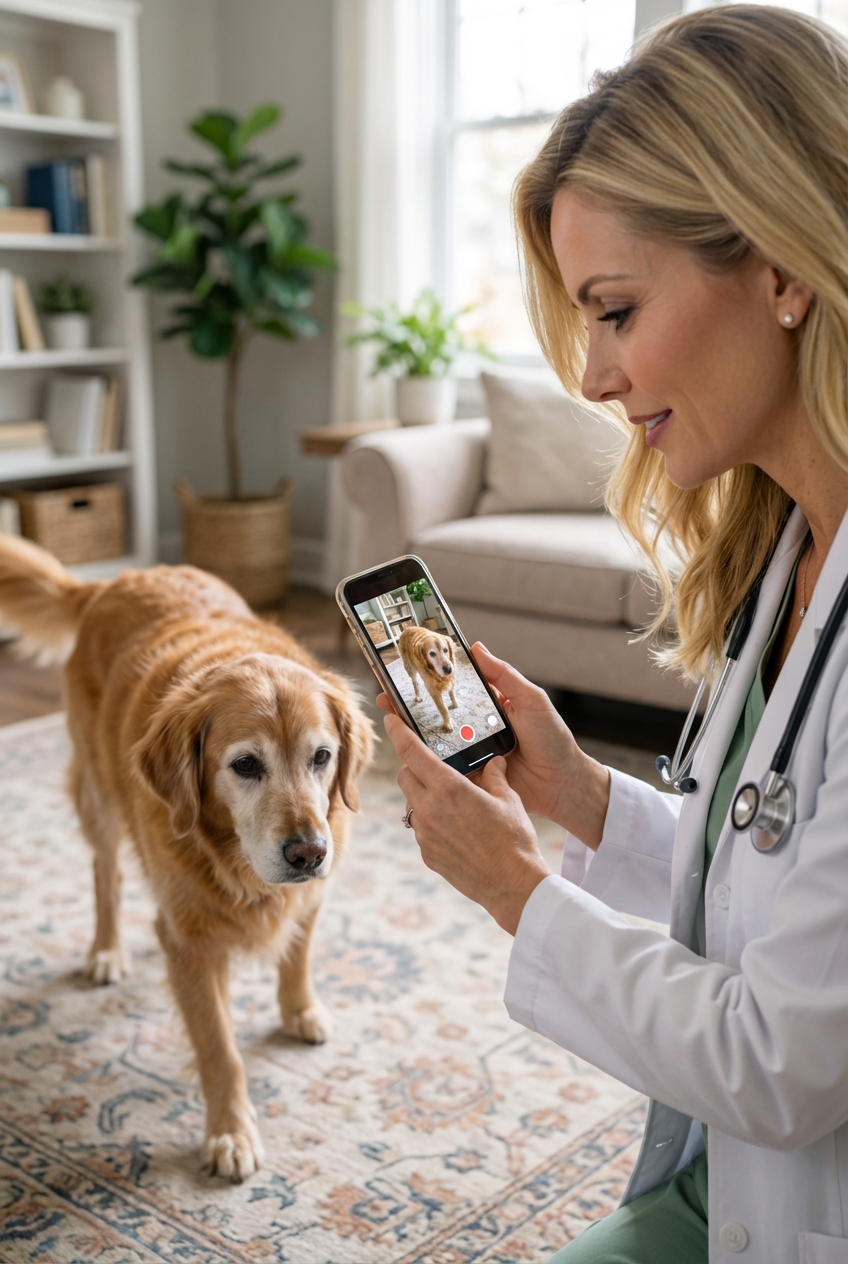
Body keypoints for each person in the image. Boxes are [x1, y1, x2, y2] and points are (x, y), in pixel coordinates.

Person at [378, 7, 848, 1262]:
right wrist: (583, 797)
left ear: (782, 267)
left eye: (616, 310)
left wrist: (511, 885)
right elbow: (777, 874)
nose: (589, 374)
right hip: (736, 1186)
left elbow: (779, 1060)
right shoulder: (788, 549)